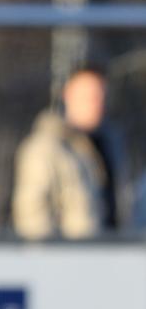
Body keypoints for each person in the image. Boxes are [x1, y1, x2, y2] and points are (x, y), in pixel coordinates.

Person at [13, 65, 125, 239]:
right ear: (67, 96)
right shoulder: (44, 149)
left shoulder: (111, 145)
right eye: (89, 97)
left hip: (114, 258)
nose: (97, 104)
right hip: (69, 261)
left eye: (102, 96)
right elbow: (33, 219)